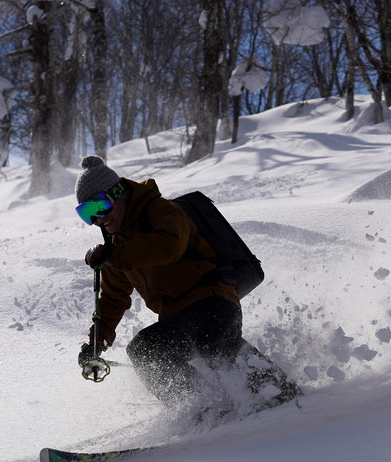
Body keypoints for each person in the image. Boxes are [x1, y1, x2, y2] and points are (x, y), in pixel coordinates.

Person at [74, 155, 299, 420]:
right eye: (87, 213)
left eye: (100, 206)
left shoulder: (161, 210)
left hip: (212, 300)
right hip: (177, 316)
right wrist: (96, 342)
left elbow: (170, 245)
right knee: (146, 351)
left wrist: (115, 256)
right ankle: (203, 411)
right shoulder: (116, 246)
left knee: (212, 342)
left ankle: (282, 394)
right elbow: (113, 297)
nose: (98, 219)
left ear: (119, 194)